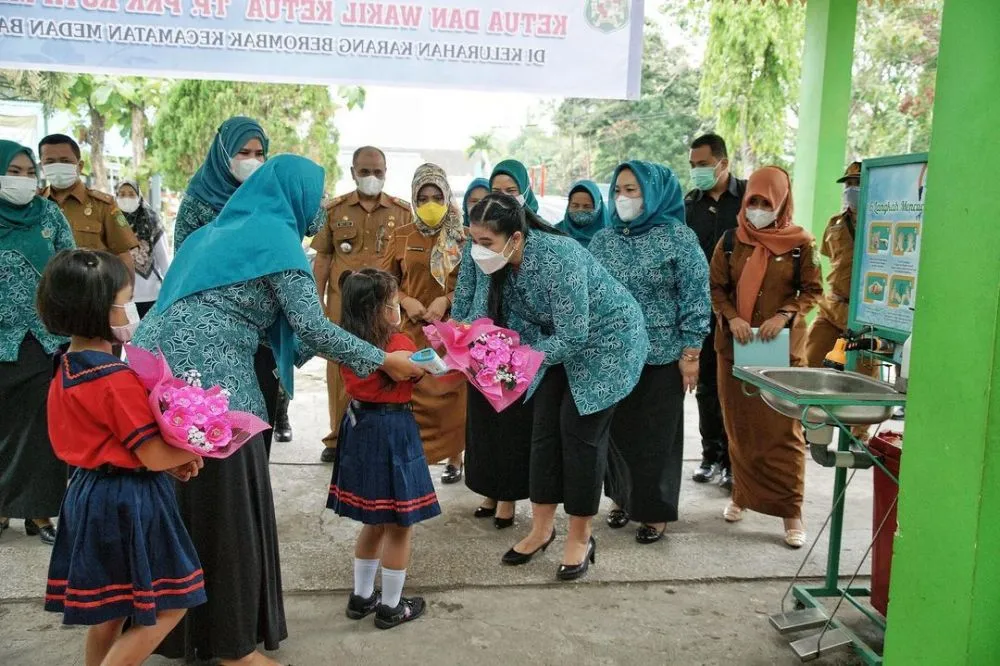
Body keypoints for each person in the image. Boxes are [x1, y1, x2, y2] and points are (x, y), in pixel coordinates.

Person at [133, 155, 423, 664]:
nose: (317, 209)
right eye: (315, 195)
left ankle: (181, 633)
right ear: (295, 195)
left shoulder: (212, 234)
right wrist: (382, 357)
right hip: (215, 391)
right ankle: (232, 644)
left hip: (158, 383)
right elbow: (310, 328)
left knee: (184, 506)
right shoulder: (275, 239)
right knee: (228, 512)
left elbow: (277, 331)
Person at [37, 249, 207, 665]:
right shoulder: (114, 378)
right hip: (128, 501)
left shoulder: (67, 363)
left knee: (110, 611)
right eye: (125, 300)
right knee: (171, 604)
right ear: (99, 309)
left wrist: (172, 459)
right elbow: (150, 454)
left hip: (88, 491)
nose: (131, 310)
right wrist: (195, 448)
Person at [468, 193, 648, 580]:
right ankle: (542, 529)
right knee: (543, 432)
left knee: (580, 436)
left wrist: (518, 360)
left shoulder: (558, 256)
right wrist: (463, 347)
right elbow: (489, 319)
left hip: (607, 344)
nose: (477, 251)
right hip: (553, 347)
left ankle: (581, 536)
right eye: (473, 241)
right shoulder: (500, 265)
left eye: (485, 243)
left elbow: (574, 334)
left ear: (515, 237)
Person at [591, 161, 711, 544]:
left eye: (633, 190)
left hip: (662, 354)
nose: (623, 198)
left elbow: (695, 296)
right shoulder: (604, 239)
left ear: (654, 192)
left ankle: (654, 511)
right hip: (613, 355)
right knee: (618, 434)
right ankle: (622, 499)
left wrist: (691, 353)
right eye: (619, 190)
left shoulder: (678, 238)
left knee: (656, 437)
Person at [709, 166, 823, 549]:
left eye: (766, 202)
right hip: (736, 349)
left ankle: (791, 510)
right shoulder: (730, 241)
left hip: (782, 353)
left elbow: (813, 289)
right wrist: (732, 317)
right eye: (753, 201)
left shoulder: (799, 244)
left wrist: (784, 315)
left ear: (781, 203)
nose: (758, 208)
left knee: (783, 432)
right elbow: (717, 288)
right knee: (740, 429)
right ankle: (742, 495)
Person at [328, 269, 445, 630]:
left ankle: (362, 597)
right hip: (393, 430)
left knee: (374, 521)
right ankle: (392, 606)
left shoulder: (347, 341)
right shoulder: (396, 345)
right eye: (393, 304)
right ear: (380, 310)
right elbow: (412, 372)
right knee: (399, 525)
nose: (397, 310)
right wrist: (440, 350)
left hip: (359, 427)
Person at [171, 117, 293, 452]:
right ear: (223, 152)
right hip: (210, 334)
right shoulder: (197, 202)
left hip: (263, 333)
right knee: (213, 425)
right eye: (243, 151)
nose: (252, 160)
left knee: (256, 425)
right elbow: (183, 266)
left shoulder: (271, 201)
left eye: (259, 152)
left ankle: (252, 498)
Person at [454, 160, 541, 529]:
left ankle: (508, 498)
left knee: (513, 423)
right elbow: (466, 288)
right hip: (482, 340)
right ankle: (489, 489)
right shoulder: (480, 238)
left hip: (519, 345)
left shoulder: (535, 239)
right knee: (485, 423)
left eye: (511, 190)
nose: (503, 197)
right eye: (497, 191)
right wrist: (459, 326)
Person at [312, 146, 412, 463]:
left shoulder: (402, 211)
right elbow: (324, 258)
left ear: (386, 172)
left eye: (378, 171)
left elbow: (406, 266)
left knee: (385, 367)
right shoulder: (335, 210)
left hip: (383, 307)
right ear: (353, 171)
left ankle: (375, 431)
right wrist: (316, 303)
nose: (372, 177)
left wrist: (403, 304)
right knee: (340, 369)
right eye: (365, 171)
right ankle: (337, 436)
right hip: (344, 306)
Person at [0, 140, 73, 544]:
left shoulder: (49, 213)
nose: (23, 180)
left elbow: (69, 264)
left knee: (40, 429)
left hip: (43, 339)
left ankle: (40, 513)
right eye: (14, 171)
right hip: (1, 340)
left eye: (30, 172)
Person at [391, 164, 467, 483]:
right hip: (411, 328)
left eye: (437, 196)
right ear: (413, 199)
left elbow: (470, 284)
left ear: (448, 196)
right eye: (424, 197)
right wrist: (406, 300)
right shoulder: (401, 236)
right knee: (414, 393)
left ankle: (455, 456)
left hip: (450, 332)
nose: (431, 203)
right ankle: (416, 456)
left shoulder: (459, 238)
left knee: (451, 396)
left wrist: (446, 299)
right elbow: (387, 281)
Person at [684, 133, 746, 490]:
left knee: (737, 389)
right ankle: (711, 456)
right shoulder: (690, 204)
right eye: (692, 166)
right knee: (706, 387)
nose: (697, 172)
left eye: (703, 165)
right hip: (702, 311)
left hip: (742, 312)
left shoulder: (749, 199)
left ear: (723, 162)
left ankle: (735, 462)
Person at [805, 161, 878, 377]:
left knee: (861, 379)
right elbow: (831, 255)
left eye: (857, 183)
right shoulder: (835, 223)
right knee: (811, 363)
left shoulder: (881, 224)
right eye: (848, 184)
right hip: (833, 307)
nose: (851, 189)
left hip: (865, 316)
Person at [38, 134, 138, 274]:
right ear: (41, 166)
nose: (58, 166)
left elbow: (123, 256)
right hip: (44, 292)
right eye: (50, 162)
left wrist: (125, 294)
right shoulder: (34, 205)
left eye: (65, 161)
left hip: (93, 292)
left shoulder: (103, 205)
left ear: (79, 166)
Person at [116, 180, 170, 317]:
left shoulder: (152, 220)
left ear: (139, 197)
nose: (126, 198)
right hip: (122, 296)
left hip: (152, 295)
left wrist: (171, 288)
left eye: (130, 194)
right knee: (127, 337)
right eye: (121, 194)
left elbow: (163, 258)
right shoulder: (112, 222)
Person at [555, 180, 608, 248]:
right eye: (575, 205)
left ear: (598, 207)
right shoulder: (555, 233)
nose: (580, 210)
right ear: (568, 205)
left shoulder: (611, 236)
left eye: (587, 206)